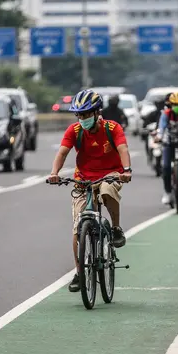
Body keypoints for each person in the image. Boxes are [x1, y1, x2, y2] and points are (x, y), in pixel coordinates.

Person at [46, 89, 132, 293]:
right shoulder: (74, 131)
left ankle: (116, 228)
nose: (82, 119)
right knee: (77, 228)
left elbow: (123, 149)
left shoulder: (113, 128)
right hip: (83, 178)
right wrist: (54, 173)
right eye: (79, 115)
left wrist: (126, 170)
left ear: (96, 113)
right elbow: (63, 152)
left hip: (111, 174)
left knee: (106, 191)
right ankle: (79, 272)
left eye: (86, 114)